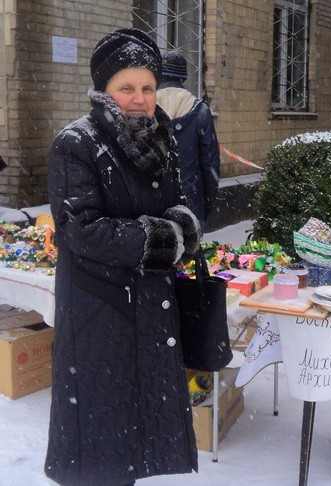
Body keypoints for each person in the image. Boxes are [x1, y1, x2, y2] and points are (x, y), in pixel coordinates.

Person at [45, 28, 200, 486]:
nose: (138, 98)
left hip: (150, 304)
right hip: (99, 310)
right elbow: (82, 230)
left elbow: (177, 203)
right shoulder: (76, 143)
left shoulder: (160, 136)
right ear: (104, 90)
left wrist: (182, 228)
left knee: (137, 432)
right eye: (126, 87)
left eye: (147, 87)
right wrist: (166, 240)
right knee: (99, 437)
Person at [157, 50, 220, 232]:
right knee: (190, 259)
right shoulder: (200, 110)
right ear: (183, 78)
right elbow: (211, 164)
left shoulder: (146, 109)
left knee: (157, 259)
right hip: (190, 202)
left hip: (154, 206)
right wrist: (207, 202)